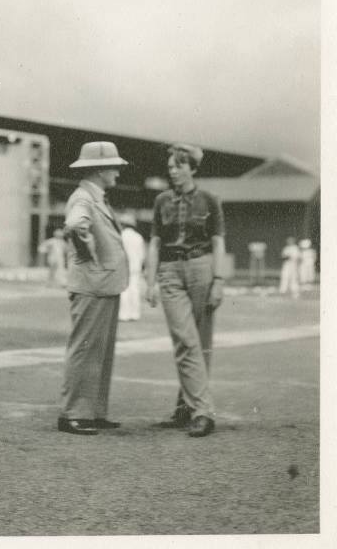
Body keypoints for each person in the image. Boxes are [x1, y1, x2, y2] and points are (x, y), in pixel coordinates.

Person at [146, 143, 225, 438]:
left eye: (179, 166)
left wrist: (218, 280)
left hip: (201, 267)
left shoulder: (210, 199)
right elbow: (154, 242)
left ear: (192, 168)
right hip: (170, 271)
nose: (174, 172)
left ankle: (185, 408)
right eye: (170, 167)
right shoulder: (161, 200)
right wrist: (150, 280)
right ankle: (203, 411)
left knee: (199, 343)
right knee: (185, 338)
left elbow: (218, 242)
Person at [58, 141, 130, 435]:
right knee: (86, 349)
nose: (117, 172)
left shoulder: (94, 196)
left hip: (103, 284)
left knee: (100, 352)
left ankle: (94, 411)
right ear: (99, 169)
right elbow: (76, 226)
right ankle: (73, 413)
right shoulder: (84, 199)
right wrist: (88, 253)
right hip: (92, 284)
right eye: (113, 166)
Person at [118, 212, 145, 321]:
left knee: (124, 291)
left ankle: (124, 314)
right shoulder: (138, 237)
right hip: (136, 266)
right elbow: (142, 255)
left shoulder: (121, 236)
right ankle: (135, 314)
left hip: (123, 266)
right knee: (135, 290)